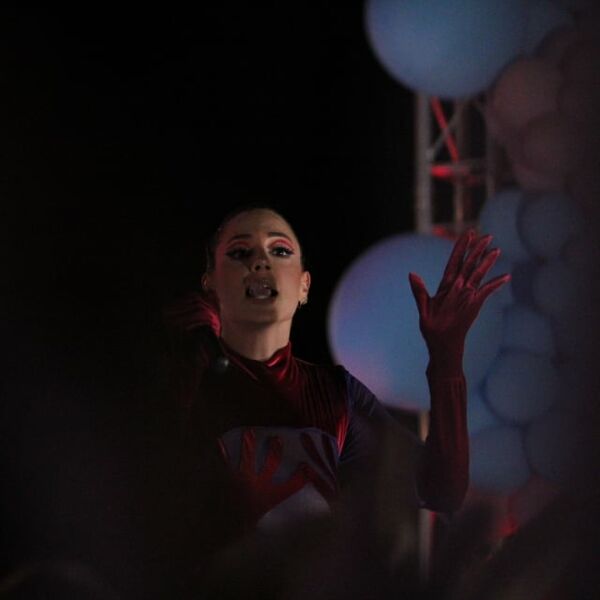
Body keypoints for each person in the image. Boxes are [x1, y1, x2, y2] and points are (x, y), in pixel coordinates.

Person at [160, 205, 510, 594]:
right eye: (240, 252)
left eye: (280, 250)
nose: (260, 262)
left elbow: (441, 489)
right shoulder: (183, 380)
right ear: (210, 284)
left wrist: (446, 357)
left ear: (304, 287)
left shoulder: (335, 393)